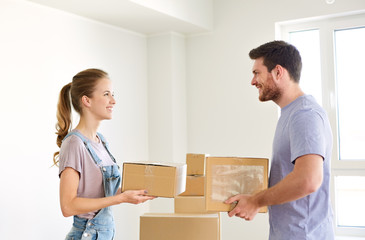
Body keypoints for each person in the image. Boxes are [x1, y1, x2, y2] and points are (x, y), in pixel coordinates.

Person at [225, 41, 334, 239]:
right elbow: (289, 175)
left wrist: (256, 202)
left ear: (278, 72)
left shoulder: (304, 114)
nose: (252, 81)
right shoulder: (291, 114)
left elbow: (308, 179)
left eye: (257, 73)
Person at [53, 68, 155, 240]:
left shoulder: (101, 141)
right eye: (106, 94)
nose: (113, 101)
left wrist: (135, 193)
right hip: (86, 234)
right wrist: (120, 199)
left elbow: (103, 193)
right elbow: (68, 206)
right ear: (87, 100)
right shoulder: (74, 144)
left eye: (112, 94)